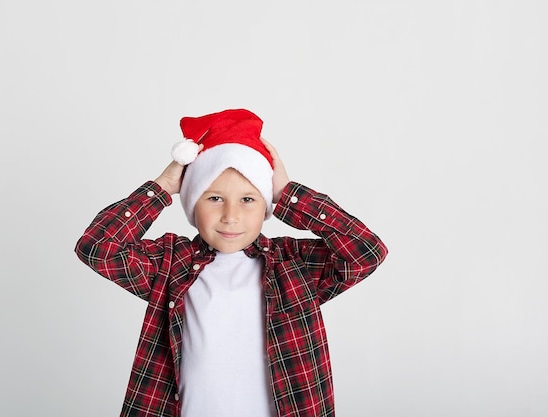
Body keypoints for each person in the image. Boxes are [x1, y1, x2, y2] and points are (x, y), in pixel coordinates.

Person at [75, 108, 388, 417]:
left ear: (265, 203)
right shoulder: (170, 263)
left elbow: (366, 251)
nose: (231, 215)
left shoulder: (294, 265)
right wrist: (162, 187)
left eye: (248, 199)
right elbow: (97, 247)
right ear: (192, 204)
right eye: (214, 198)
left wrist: (289, 194)